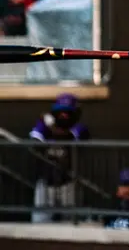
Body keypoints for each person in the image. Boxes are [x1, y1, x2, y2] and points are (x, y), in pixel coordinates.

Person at [29, 93, 90, 223]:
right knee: (40, 223)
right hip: (46, 183)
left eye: (67, 112)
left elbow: (67, 137)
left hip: (68, 183)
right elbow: (35, 142)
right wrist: (45, 126)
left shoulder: (80, 128)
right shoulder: (43, 126)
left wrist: (50, 125)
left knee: (71, 223)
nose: (63, 115)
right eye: (60, 112)